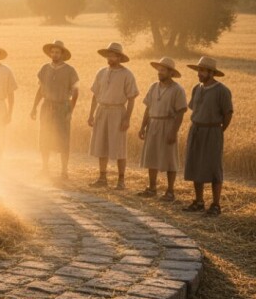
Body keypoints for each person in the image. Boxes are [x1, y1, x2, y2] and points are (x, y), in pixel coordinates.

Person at [183, 56, 233, 217]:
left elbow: (227, 114)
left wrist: (218, 131)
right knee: (195, 164)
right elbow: (194, 109)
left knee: (213, 167)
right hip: (196, 129)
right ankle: (199, 201)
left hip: (212, 131)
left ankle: (216, 204)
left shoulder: (222, 91)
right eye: (198, 70)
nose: (199, 73)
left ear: (211, 73)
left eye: (202, 70)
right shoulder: (197, 88)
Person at [88, 42, 139, 190]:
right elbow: (95, 95)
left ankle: (121, 180)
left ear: (119, 57)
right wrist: (91, 114)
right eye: (108, 55)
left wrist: (126, 119)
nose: (110, 57)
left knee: (119, 147)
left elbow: (131, 98)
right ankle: (102, 178)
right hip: (101, 110)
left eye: (113, 55)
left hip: (118, 112)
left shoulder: (127, 74)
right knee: (101, 144)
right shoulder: (101, 72)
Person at [137, 57, 187, 201]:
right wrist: (142, 127)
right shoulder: (153, 87)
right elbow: (148, 108)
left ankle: (170, 191)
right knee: (151, 156)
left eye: (163, 70)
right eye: (159, 70)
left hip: (168, 125)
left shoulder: (178, 90)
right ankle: (152, 188)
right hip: (153, 123)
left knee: (170, 159)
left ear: (171, 72)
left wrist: (173, 132)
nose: (159, 72)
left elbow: (180, 113)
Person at [30, 40, 78, 179]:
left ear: (62, 54)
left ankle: (64, 171)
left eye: (57, 52)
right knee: (44, 137)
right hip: (47, 106)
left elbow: (75, 92)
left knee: (63, 138)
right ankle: (45, 168)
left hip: (62, 107)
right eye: (52, 52)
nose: (54, 54)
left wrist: (70, 110)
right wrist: (34, 107)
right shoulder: (45, 68)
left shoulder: (70, 70)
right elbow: (40, 89)